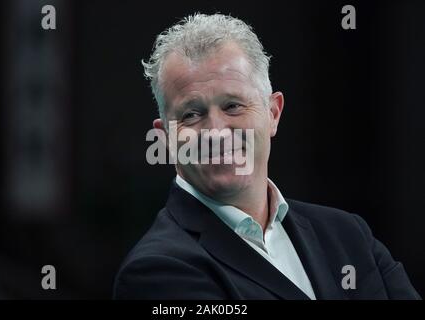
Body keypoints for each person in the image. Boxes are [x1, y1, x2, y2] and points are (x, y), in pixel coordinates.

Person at [113, 13, 420, 299]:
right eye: (192, 114)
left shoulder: (348, 235)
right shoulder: (156, 270)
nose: (217, 132)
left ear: (273, 113)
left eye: (233, 106)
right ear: (166, 137)